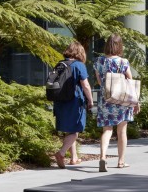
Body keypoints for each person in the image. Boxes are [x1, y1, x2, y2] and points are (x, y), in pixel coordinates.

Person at [93, 34, 140, 172]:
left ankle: (102, 157)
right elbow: (130, 82)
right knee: (122, 131)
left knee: (107, 130)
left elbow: (100, 82)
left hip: (106, 99)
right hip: (122, 100)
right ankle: (121, 161)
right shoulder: (123, 62)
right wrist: (136, 102)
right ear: (120, 46)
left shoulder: (99, 61)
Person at [53, 41, 94, 169]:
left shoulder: (60, 64)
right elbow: (85, 85)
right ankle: (61, 153)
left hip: (60, 102)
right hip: (74, 102)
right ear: (80, 52)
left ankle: (74, 158)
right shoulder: (79, 65)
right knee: (75, 130)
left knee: (69, 130)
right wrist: (91, 100)